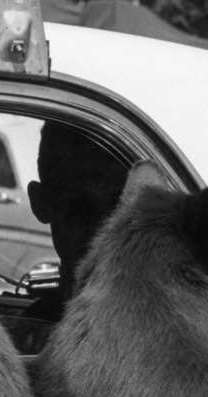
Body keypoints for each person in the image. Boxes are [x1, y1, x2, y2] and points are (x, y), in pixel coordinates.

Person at [25, 121, 128, 323]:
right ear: (41, 203)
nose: (99, 229)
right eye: (79, 208)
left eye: (115, 207)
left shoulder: (149, 324)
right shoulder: (37, 325)